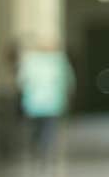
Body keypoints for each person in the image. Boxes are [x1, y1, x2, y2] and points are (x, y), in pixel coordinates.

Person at [16, 35, 75, 163]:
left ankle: (37, 148)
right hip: (52, 102)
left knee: (36, 128)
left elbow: (21, 81)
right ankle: (45, 150)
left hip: (33, 103)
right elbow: (69, 80)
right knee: (49, 129)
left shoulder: (30, 60)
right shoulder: (58, 60)